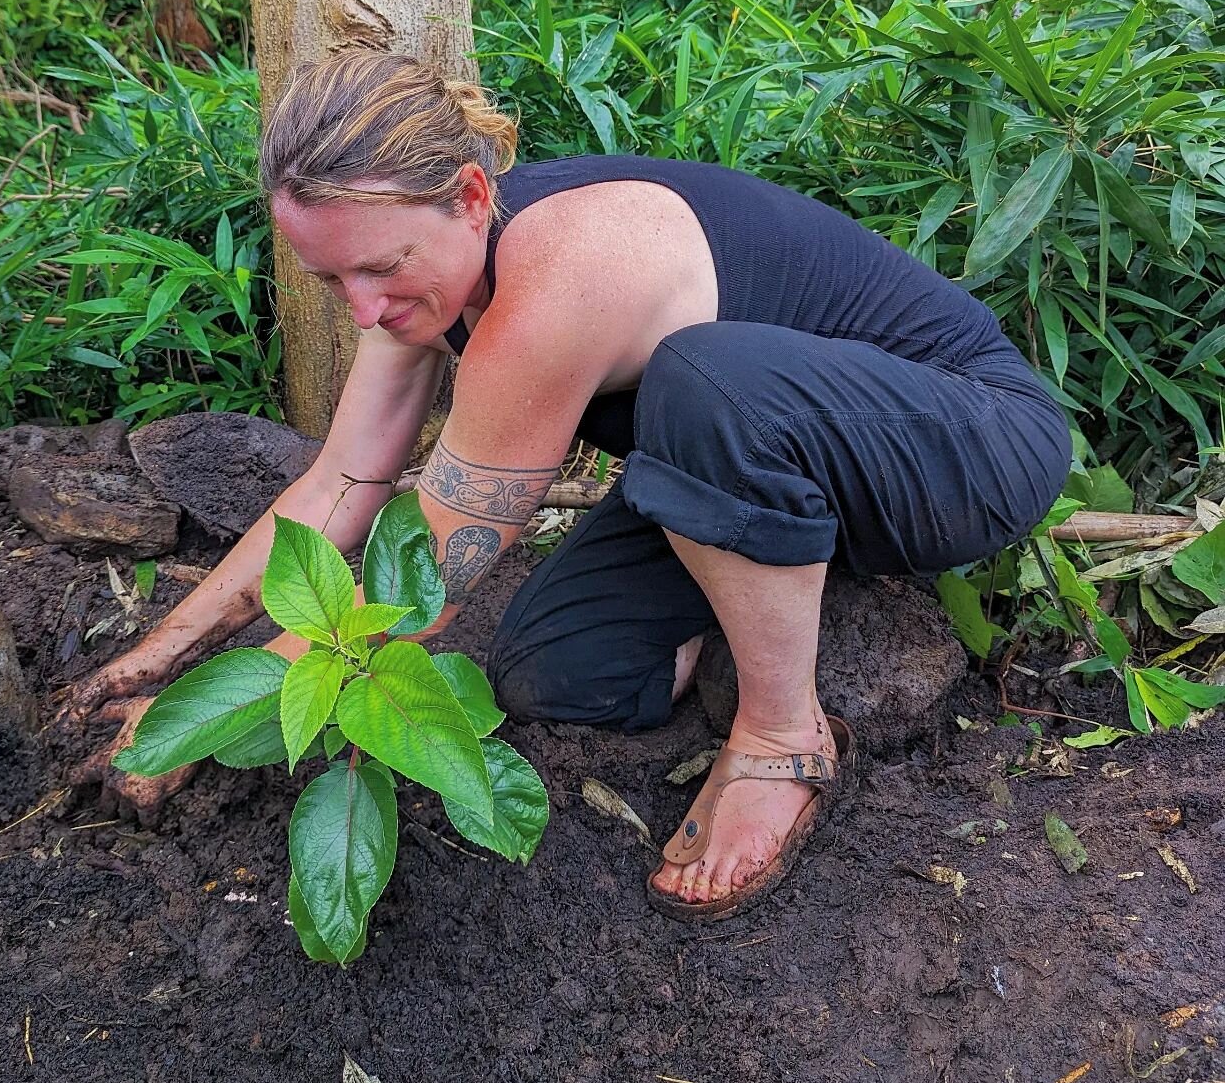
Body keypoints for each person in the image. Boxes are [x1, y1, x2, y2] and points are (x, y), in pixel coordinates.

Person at [67, 50, 1071, 920]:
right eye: (332, 282)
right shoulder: (427, 276)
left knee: (703, 381)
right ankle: (768, 578)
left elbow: (430, 570)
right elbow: (344, 477)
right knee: (554, 669)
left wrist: (208, 723)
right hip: (797, 465)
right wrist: (163, 662)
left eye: (375, 270)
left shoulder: (563, 269)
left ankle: (781, 735)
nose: (363, 308)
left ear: (467, 196)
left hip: (969, 444)